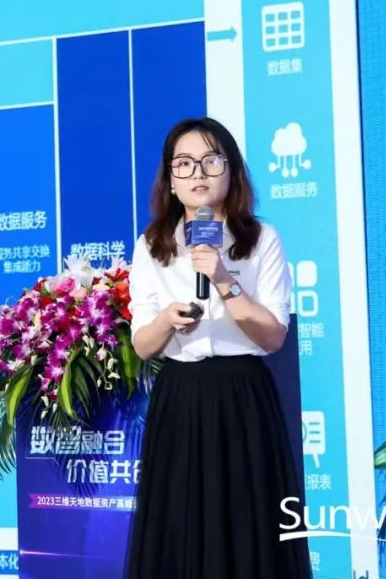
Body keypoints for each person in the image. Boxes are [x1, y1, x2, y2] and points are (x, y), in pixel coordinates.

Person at [124, 117, 310, 579]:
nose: (198, 173)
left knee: (250, 524)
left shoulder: (261, 240)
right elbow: (142, 345)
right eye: (184, 164)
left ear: (231, 170)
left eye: (211, 160)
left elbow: (273, 335)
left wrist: (224, 280)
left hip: (242, 396)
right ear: (170, 179)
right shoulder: (152, 245)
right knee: (179, 524)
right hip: (180, 397)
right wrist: (167, 320)